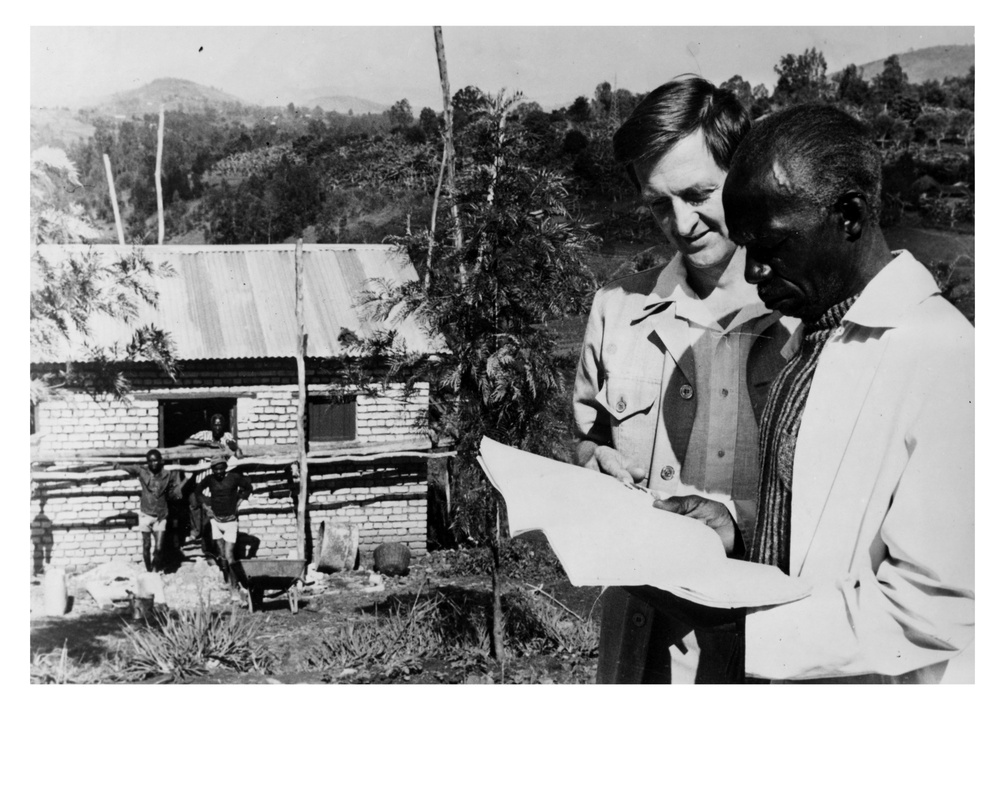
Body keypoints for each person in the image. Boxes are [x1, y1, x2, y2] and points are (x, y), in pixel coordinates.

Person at [657, 104, 974, 682]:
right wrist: (738, 528)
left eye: (770, 244)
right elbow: (827, 514)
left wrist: (746, 641)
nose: (752, 272)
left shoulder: (948, 358)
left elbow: (938, 607)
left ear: (849, 215)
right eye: (744, 245)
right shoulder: (812, 335)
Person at [573, 76, 796, 683]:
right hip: (642, 645)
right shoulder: (616, 311)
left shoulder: (801, 319)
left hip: (765, 648)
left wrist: (741, 526)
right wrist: (590, 461)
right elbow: (588, 436)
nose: (681, 222)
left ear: (743, 177)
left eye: (699, 194)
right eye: (658, 204)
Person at [196, 453, 254, 603]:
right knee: (222, 556)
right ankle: (228, 582)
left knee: (229, 556)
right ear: (212, 469)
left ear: (225, 468)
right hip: (216, 521)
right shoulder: (209, 480)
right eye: (216, 469)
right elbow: (197, 492)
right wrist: (205, 506)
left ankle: (236, 586)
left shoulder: (234, 478)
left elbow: (248, 487)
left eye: (221, 469)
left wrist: (239, 502)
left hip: (230, 522)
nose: (219, 472)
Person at [117, 449, 184, 573]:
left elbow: (172, 493)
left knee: (159, 548)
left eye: (155, 460)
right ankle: (148, 570)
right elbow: (128, 467)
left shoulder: (167, 474)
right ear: (147, 462)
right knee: (146, 546)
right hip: (145, 515)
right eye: (150, 461)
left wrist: (184, 481)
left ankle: (153, 570)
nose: (153, 463)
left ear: (161, 461)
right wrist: (116, 464)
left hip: (161, 516)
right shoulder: (142, 471)